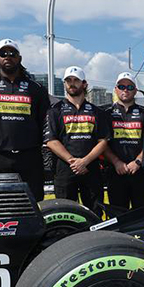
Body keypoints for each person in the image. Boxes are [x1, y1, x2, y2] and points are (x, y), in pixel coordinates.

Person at [0, 39, 50, 201]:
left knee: (34, 203)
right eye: (3, 54)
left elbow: (44, 120)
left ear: (19, 58)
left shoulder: (36, 88)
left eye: (12, 53)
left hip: (30, 156)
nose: (8, 57)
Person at [44, 66, 109, 212]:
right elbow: (51, 141)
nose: (72, 84)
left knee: (95, 212)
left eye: (76, 80)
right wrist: (73, 162)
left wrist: (84, 161)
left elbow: (103, 141)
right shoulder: (55, 110)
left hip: (90, 168)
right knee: (65, 212)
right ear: (65, 84)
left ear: (84, 84)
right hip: (65, 169)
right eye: (68, 81)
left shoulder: (97, 112)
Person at [103, 72, 144, 210]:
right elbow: (102, 143)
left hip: (140, 172)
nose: (125, 90)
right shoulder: (106, 113)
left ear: (135, 90)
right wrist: (116, 162)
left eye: (130, 87)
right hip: (115, 172)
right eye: (121, 86)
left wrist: (137, 162)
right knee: (118, 216)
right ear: (116, 89)